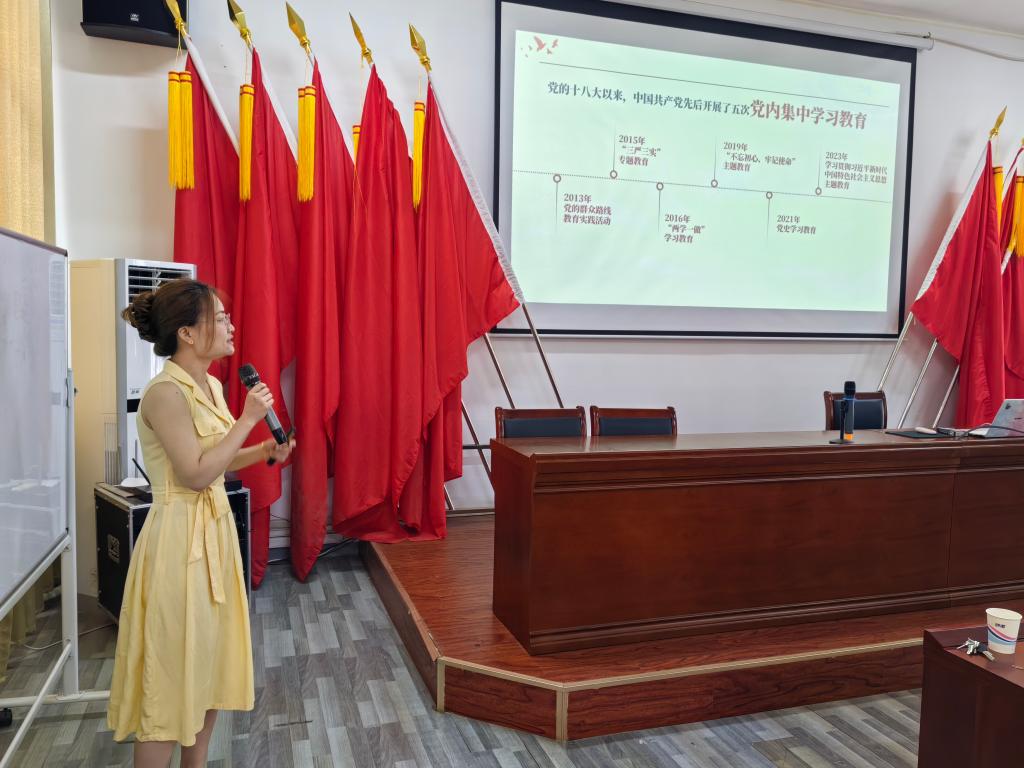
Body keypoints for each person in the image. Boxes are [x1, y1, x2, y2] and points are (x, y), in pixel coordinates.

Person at [107, 278, 294, 767]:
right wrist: (248, 421)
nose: (231, 326)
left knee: (207, 672)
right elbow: (193, 474)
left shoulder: (209, 385)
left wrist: (264, 450)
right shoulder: (164, 393)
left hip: (214, 535)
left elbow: (217, 460)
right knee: (168, 686)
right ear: (187, 333)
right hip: (177, 543)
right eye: (220, 318)